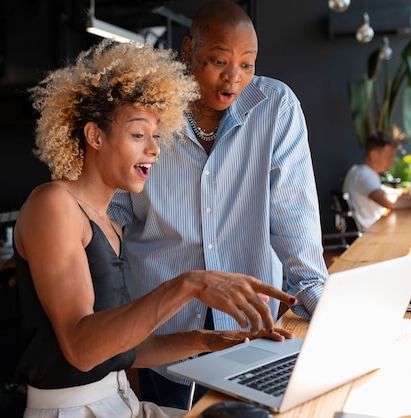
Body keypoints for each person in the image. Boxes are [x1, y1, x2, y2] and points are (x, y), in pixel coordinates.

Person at [12, 39, 297, 418]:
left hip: (121, 404)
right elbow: (81, 350)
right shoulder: (54, 205)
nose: (154, 150)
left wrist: (212, 342)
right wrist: (189, 284)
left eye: (156, 136)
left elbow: (121, 348)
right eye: (137, 135)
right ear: (95, 136)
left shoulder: (108, 223)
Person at [108, 0, 328, 409]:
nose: (234, 78)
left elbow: (292, 214)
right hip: (164, 332)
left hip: (252, 330)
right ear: (188, 49)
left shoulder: (275, 108)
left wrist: (321, 301)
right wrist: (61, 258)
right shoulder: (146, 114)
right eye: (218, 61)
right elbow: (112, 212)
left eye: (248, 64)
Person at [342, 130, 411, 231]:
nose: (392, 162)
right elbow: (390, 203)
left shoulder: (360, 171)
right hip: (372, 234)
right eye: (389, 157)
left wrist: (404, 194)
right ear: (374, 154)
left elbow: (383, 190)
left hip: (376, 228)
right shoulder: (364, 175)